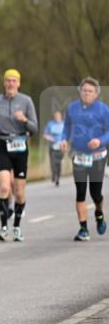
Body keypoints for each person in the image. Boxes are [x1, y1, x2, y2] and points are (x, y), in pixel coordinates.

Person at [0, 69, 38, 242]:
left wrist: (24, 120)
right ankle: (3, 228)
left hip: (20, 146)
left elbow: (34, 128)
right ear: (4, 83)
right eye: (8, 80)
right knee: (4, 187)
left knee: (19, 191)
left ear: (19, 83)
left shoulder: (26, 101)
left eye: (13, 80)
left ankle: (16, 227)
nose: (10, 83)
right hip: (3, 144)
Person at [59, 77, 109, 241]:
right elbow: (66, 126)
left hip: (97, 156)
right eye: (84, 90)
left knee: (95, 193)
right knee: (80, 192)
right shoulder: (72, 108)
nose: (86, 93)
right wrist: (64, 139)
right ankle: (83, 229)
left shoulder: (103, 109)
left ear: (96, 94)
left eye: (90, 91)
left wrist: (99, 141)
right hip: (79, 156)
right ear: (80, 92)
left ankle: (99, 212)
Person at [44, 110, 66, 186]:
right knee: (53, 162)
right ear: (54, 117)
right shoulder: (50, 124)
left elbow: (66, 135)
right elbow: (45, 134)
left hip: (61, 146)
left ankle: (58, 177)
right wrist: (49, 138)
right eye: (56, 116)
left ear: (61, 116)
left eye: (58, 116)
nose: (57, 117)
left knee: (58, 163)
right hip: (52, 146)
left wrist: (65, 143)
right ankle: (54, 175)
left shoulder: (64, 124)